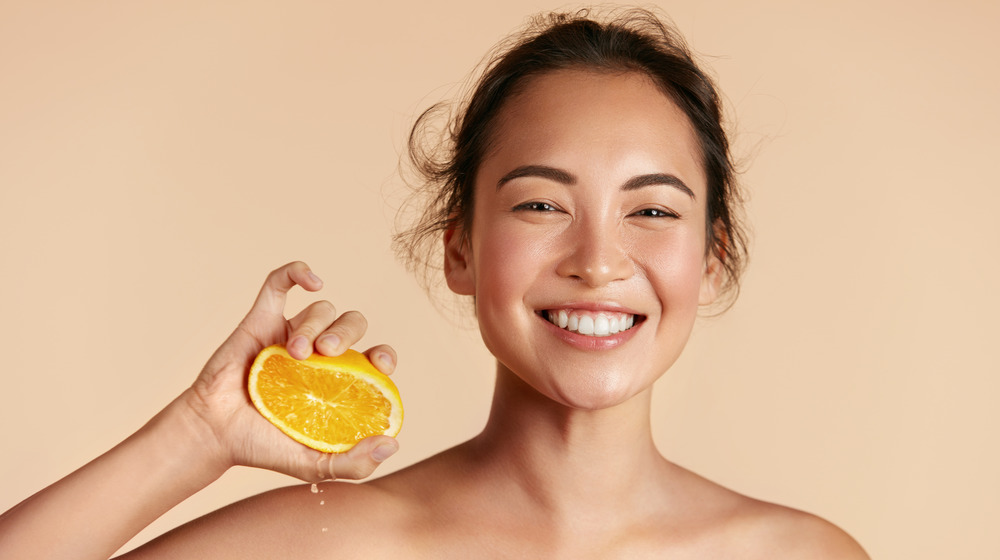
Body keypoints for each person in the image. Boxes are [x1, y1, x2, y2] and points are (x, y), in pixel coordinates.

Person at [0, 8, 870, 558]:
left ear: (711, 255)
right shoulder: (328, 545)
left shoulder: (801, 554)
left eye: (652, 212)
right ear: (460, 249)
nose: (599, 260)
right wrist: (196, 434)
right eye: (540, 204)